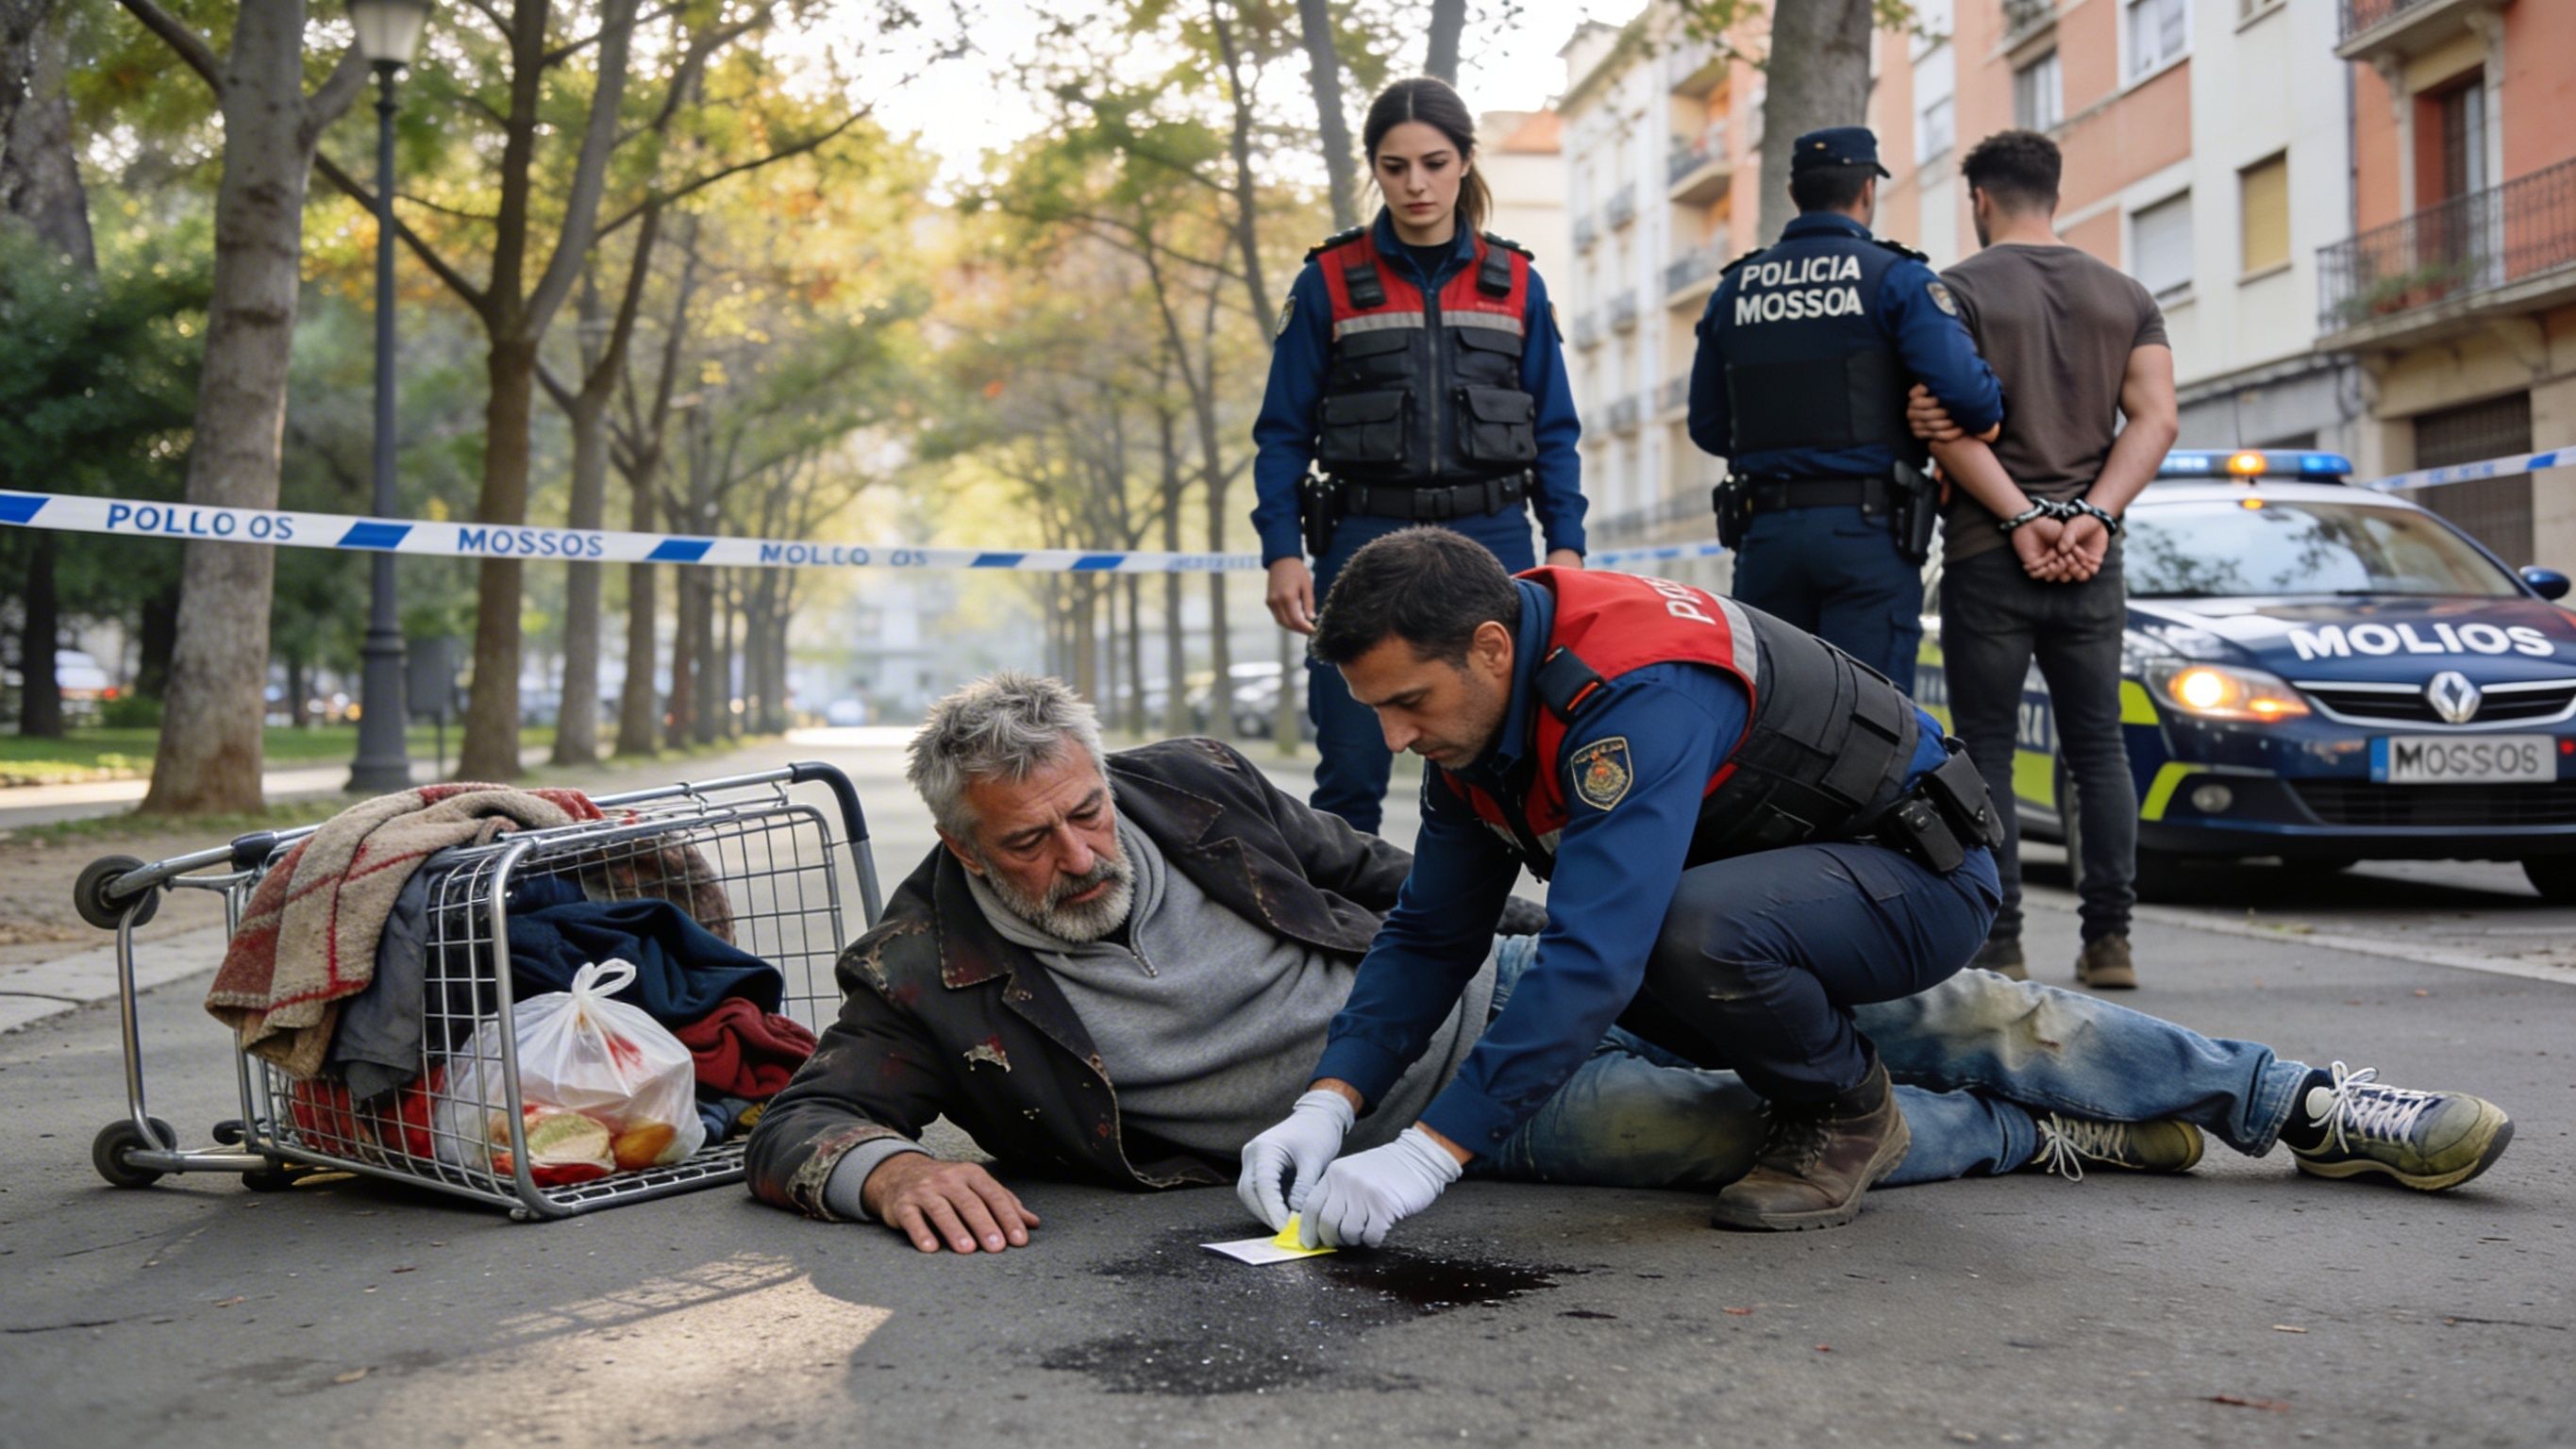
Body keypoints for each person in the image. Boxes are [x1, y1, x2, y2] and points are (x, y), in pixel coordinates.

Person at [744, 676, 2514, 1254]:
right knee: (1741, 1132)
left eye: (1081, 812)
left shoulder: (1187, 787)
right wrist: (880, 1166)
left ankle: (2294, 1099)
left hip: (1496, 1007)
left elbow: (1398, 886)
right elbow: (804, 1116)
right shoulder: (927, 960)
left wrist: (1569, 942)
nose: (1079, 854)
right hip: (1458, 1137)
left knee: (1938, 1002)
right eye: (1031, 843)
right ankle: (2057, 1138)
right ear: (964, 845)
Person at [1252, 75, 1587, 837]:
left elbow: (1555, 432)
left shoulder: (1519, 283)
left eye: (1434, 164)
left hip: (1495, 538)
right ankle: (1344, 915)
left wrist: (1566, 544)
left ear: (1465, 160)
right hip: (1362, 537)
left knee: (1513, 755)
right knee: (1350, 767)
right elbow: (1282, 434)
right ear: (1374, 167)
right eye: (1394, 166)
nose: (1416, 184)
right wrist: (1282, 551)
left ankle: (1525, 910)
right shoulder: (1326, 282)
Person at [1903, 130, 2181, 991]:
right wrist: (2092, 516)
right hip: (2093, 562)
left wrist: (2022, 518)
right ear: (2054, 193)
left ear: (1980, 200)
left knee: (1985, 748)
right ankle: (2110, 942)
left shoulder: (1955, 292)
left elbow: (1941, 428)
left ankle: (2001, 943)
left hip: (1988, 556)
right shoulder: (2127, 295)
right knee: (2097, 748)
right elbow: (2158, 418)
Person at [1686, 125, 2002, 694]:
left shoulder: (1736, 288)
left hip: (1767, 537)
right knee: (1871, 715)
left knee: (1778, 714)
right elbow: (1974, 401)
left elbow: (1708, 427)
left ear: (1793, 192)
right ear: (1867, 189)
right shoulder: (1895, 277)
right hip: (1867, 534)